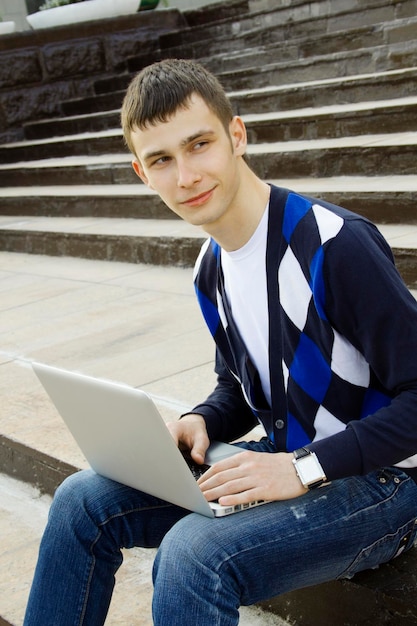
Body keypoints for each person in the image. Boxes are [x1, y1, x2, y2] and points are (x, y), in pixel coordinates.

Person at [24, 58, 417, 626]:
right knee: (83, 499)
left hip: (386, 483)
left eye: (199, 144)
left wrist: (303, 468)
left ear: (237, 135)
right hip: (293, 457)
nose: (186, 176)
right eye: (162, 160)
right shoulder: (210, 267)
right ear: (142, 173)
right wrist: (204, 418)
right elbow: (242, 382)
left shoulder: (333, 245)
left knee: (192, 556)